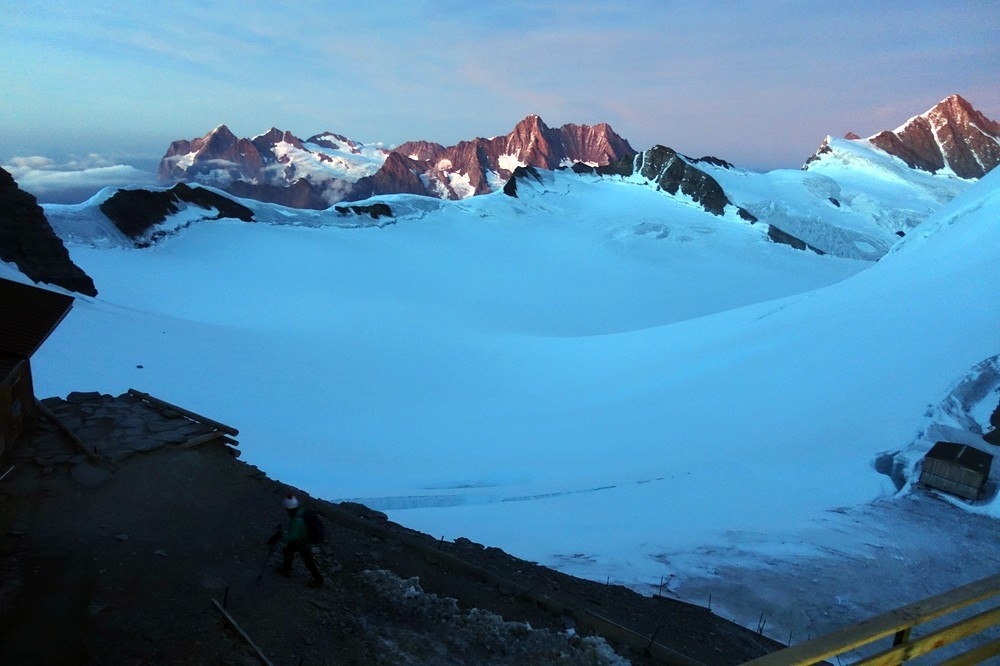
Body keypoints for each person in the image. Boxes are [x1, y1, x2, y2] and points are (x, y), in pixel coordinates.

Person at [268, 493, 324, 588]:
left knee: (307, 560)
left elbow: (293, 536)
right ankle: (286, 570)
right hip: (304, 539)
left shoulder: (296, 520)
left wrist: (281, 536)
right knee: (289, 551)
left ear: (289, 509)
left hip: (302, 541)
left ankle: (319, 581)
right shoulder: (301, 512)